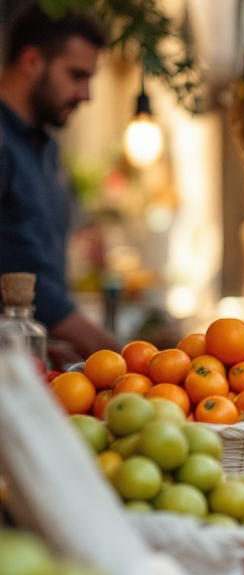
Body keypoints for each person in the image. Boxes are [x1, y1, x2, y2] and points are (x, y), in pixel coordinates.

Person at [0, 5, 118, 363]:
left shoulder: (47, 149)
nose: (87, 95)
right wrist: (124, 357)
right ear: (32, 61)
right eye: (77, 75)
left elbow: (39, 273)